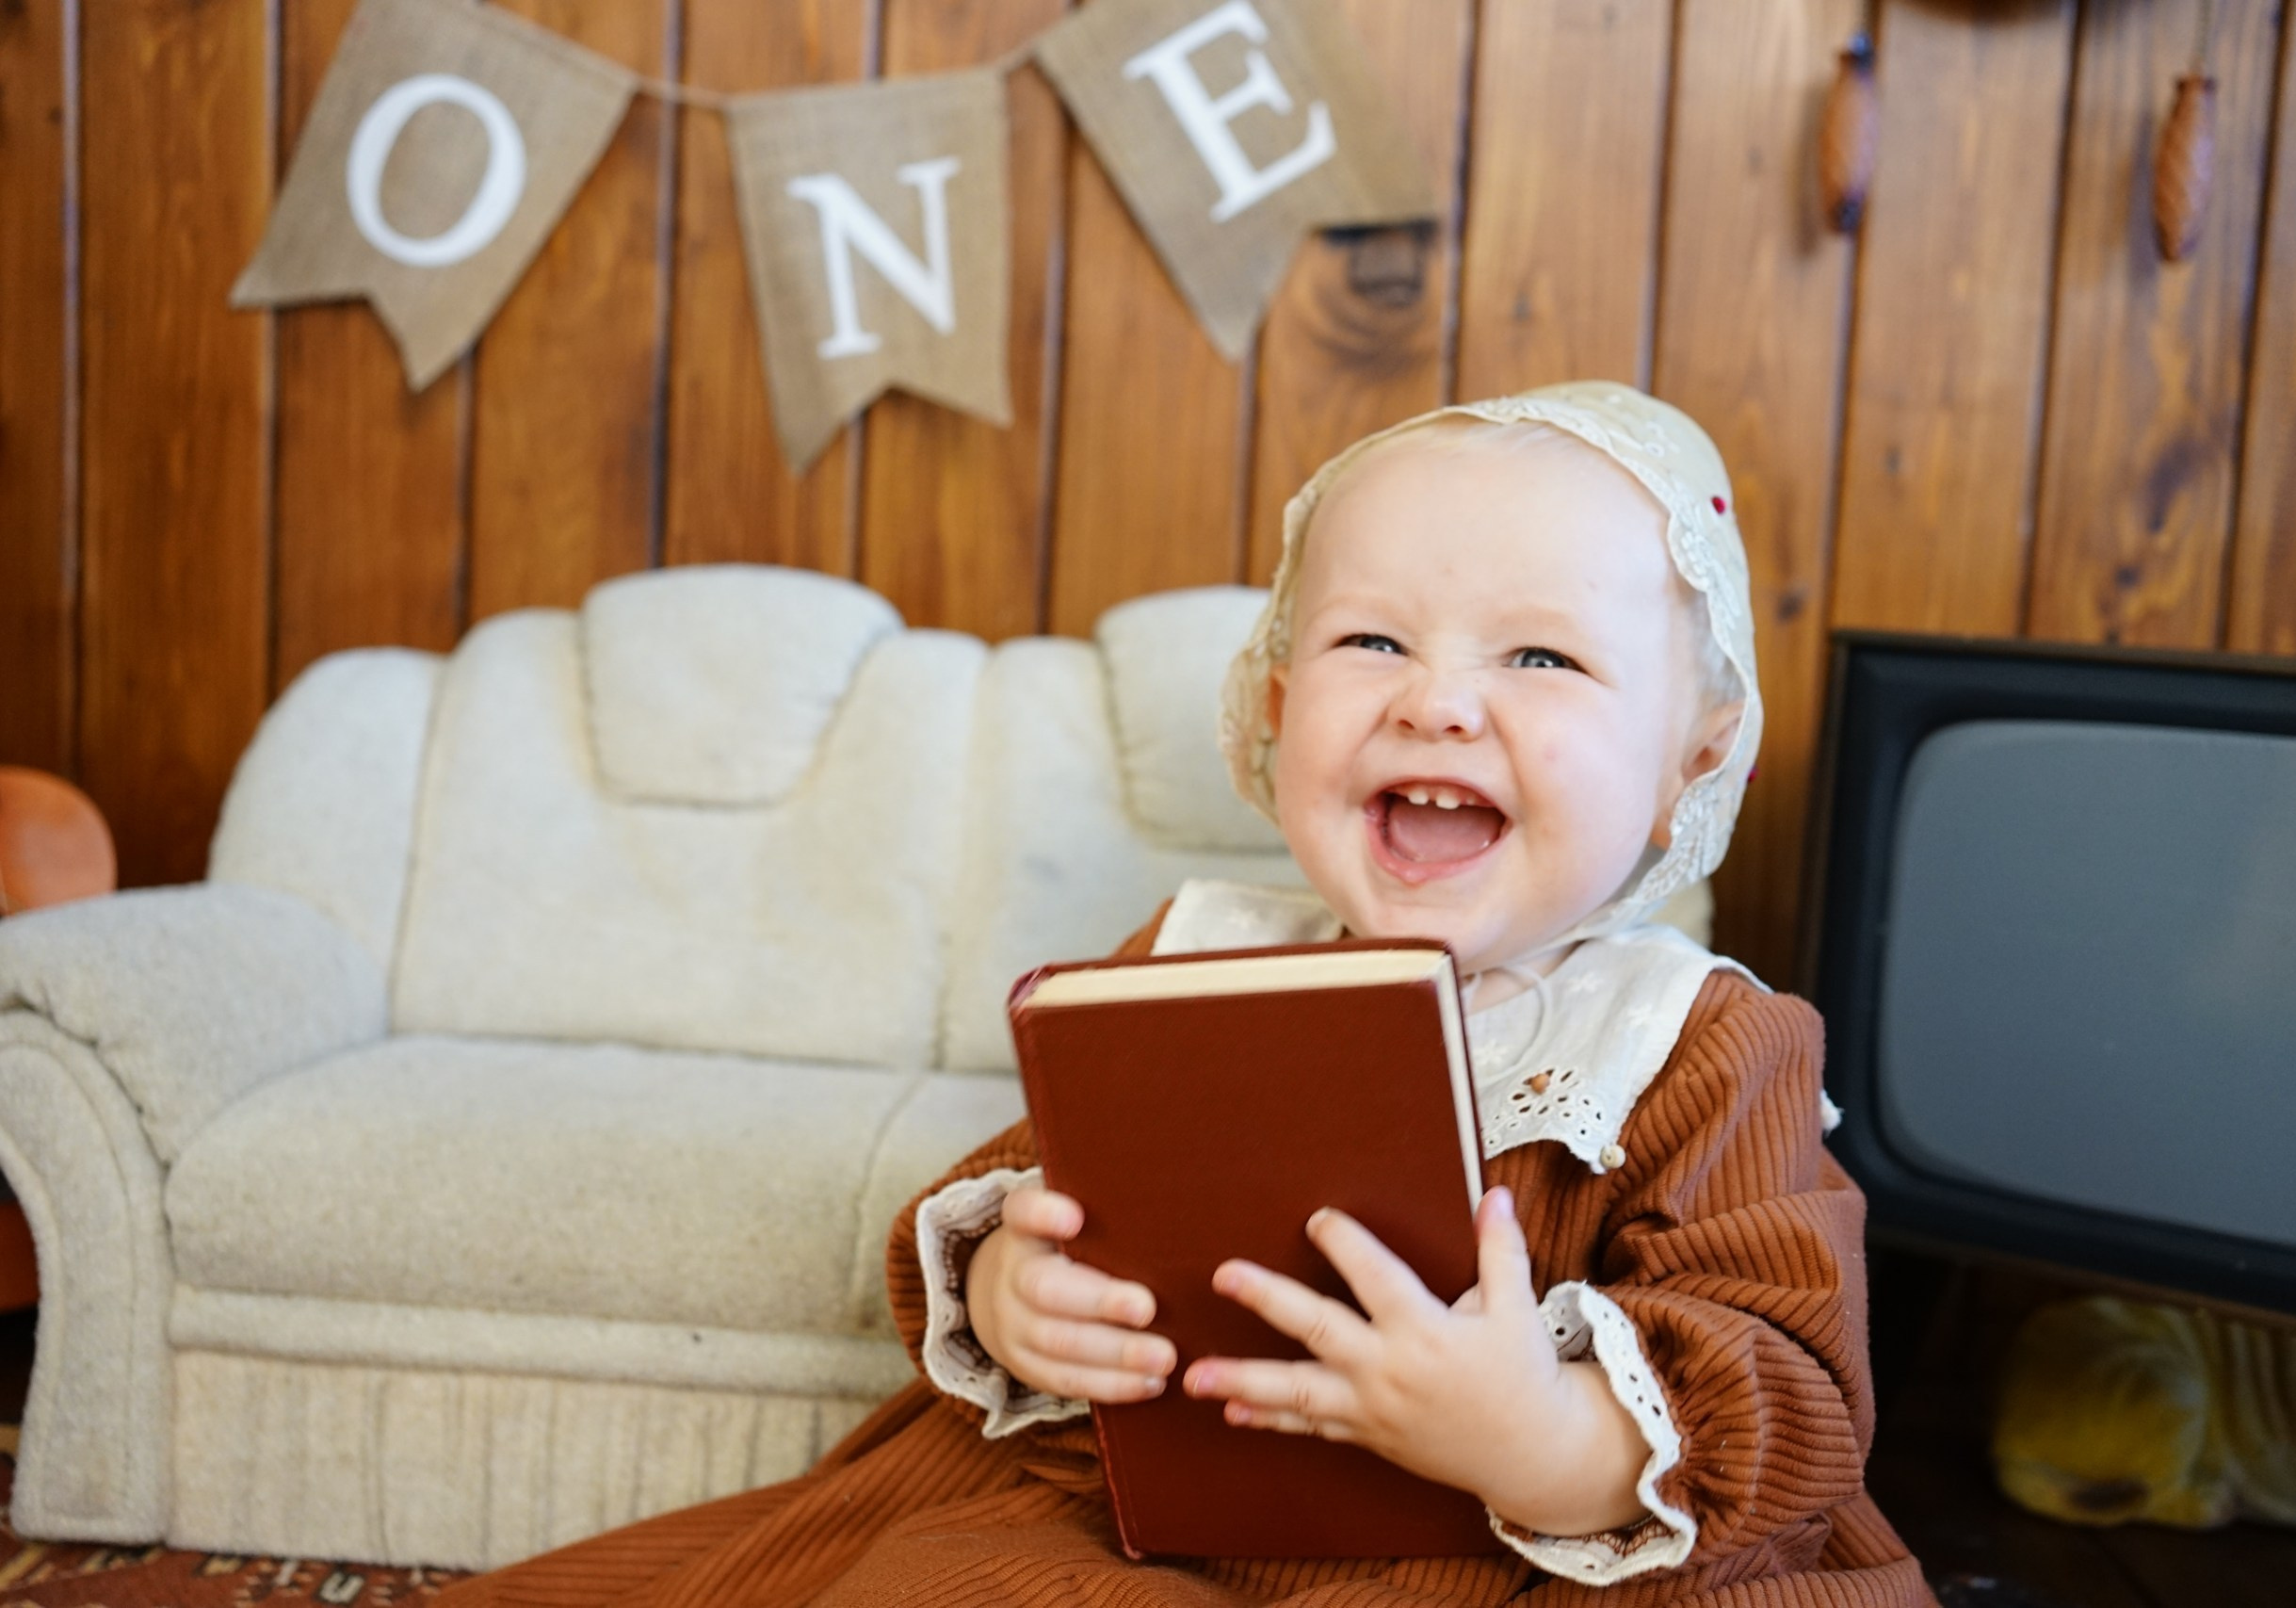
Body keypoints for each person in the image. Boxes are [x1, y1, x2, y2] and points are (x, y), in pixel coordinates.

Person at [436, 382, 1934, 1605]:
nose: (1437, 699)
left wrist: (1542, 1437)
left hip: (1508, 1559)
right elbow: (1034, 1186)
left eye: (1543, 655)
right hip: (1149, 1525)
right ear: (1281, 710)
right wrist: (1022, 1293)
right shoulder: (1203, 952)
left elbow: (1792, 1379)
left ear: (1694, 753)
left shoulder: (1698, 1038)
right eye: (1369, 641)